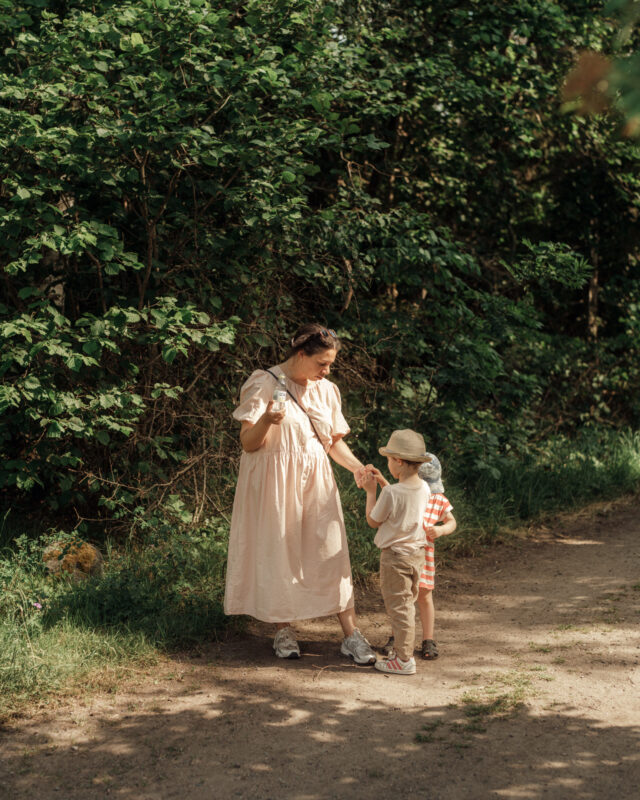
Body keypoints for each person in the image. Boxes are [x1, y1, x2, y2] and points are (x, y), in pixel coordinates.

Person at [224, 323, 376, 665]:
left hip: (316, 483)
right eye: (322, 363)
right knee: (281, 553)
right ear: (300, 354)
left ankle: (351, 635)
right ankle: (283, 629)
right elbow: (248, 444)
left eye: (330, 364)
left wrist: (355, 468)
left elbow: (333, 441)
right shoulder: (263, 382)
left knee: (331, 552)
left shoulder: (326, 390)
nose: (327, 370)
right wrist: (266, 420)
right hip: (274, 486)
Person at [362, 429, 432, 675]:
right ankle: (403, 653)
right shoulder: (423, 488)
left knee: (399, 608)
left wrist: (372, 491)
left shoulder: (392, 493)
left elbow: (373, 520)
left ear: (399, 461)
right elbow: (403, 502)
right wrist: (383, 483)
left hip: (395, 559)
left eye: (390, 459)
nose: (388, 463)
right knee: (407, 604)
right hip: (416, 556)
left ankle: (404, 659)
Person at [380, 453, 457, 660]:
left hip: (425, 558)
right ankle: (397, 637)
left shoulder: (438, 500)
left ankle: (428, 639)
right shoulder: (408, 493)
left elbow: (452, 521)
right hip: (406, 554)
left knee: (424, 596)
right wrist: (381, 481)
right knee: (402, 599)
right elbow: (395, 494)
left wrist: (441, 530)